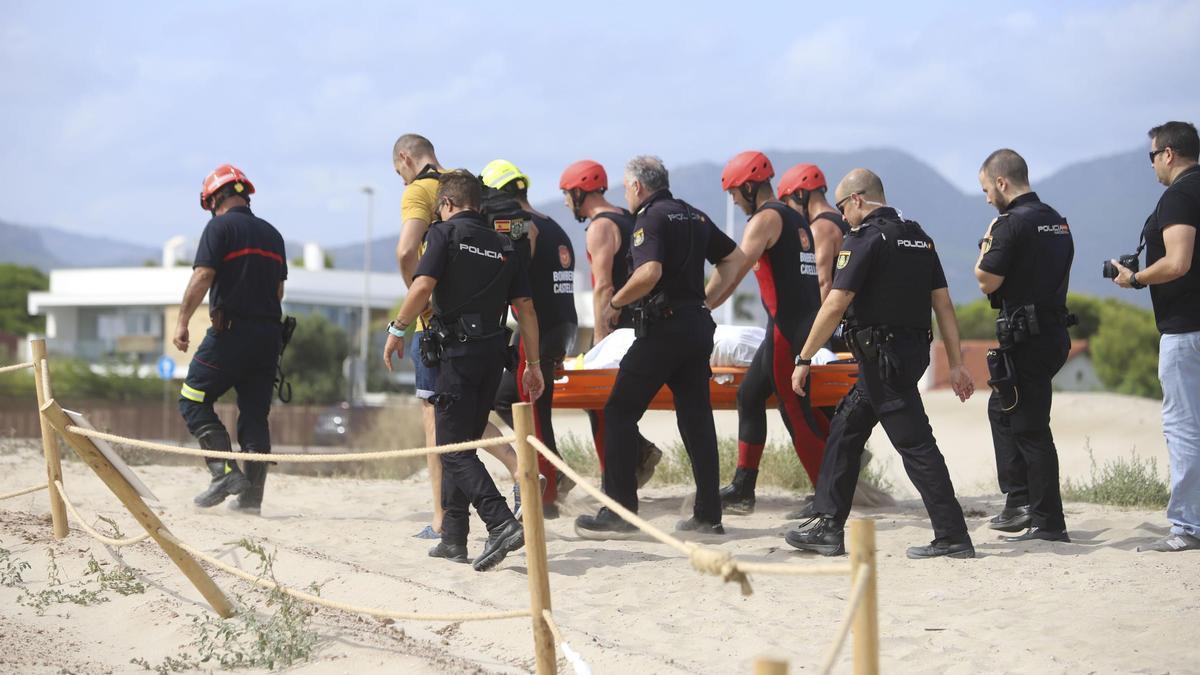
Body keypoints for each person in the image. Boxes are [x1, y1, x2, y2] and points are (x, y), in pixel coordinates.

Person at [785, 168, 976, 559]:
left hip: (882, 360)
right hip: (904, 356)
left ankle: (953, 535)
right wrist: (955, 363)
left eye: (843, 208)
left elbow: (836, 303)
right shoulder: (920, 238)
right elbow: (943, 305)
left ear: (857, 199)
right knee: (845, 428)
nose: (842, 218)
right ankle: (827, 523)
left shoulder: (866, 239)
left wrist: (804, 356)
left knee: (916, 445)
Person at [574, 156, 745, 539]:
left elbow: (648, 273)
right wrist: (706, 301)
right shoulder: (694, 215)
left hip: (664, 327)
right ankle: (708, 514)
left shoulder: (650, 218)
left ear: (637, 187)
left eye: (625, 186)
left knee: (618, 411)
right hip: (697, 327)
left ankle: (619, 510)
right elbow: (734, 259)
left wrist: (616, 303)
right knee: (696, 418)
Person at [383, 170, 545, 571]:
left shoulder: (443, 235)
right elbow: (525, 308)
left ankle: (501, 522)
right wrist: (534, 364)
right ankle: (454, 537)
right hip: (493, 356)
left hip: (455, 354)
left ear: (448, 204)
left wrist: (397, 329)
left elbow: (421, 287)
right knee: (464, 442)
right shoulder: (505, 243)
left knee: (451, 447)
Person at [707, 151, 827, 516]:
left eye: (733, 193)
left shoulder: (764, 219)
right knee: (750, 395)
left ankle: (826, 496)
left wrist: (700, 305)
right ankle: (744, 488)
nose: (733, 200)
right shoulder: (795, 218)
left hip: (786, 329)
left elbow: (734, 270)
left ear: (748, 186)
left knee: (794, 409)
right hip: (797, 323)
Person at [974, 149, 1075, 543]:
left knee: (1031, 428)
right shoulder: (1056, 221)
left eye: (986, 189)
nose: (986, 198)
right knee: (1003, 410)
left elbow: (986, 280)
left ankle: (1048, 521)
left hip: (1026, 339)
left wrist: (987, 238)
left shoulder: (1009, 224)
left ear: (1002, 183)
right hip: (1052, 334)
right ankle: (1019, 501)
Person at [174, 164, 286, 514]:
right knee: (254, 416)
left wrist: (182, 320)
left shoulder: (219, 228)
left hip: (231, 333)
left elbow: (203, 275)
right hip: (269, 338)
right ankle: (251, 499)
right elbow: (279, 291)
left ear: (213, 201)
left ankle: (223, 474)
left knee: (192, 398)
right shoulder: (273, 234)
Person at [1110, 120, 1200, 553]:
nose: (1151, 166)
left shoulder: (1181, 195)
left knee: (1184, 428)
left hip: (1187, 331)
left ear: (1168, 154)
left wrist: (1136, 278)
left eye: (1152, 156)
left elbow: (1178, 261)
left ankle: (1187, 526)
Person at [479, 159, 577, 516]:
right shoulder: (555, 226)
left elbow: (518, 282)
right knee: (514, 401)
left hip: (535, 330)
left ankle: (546, 498)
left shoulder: (526, 228)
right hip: (562, 327)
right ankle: (555, 475)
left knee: (531, 413)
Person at [559, 159, 662, 490]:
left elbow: (603, 285)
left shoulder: (600, 226)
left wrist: (601, 338)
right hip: (639, 322)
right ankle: (636, 456)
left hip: (617, 326)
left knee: (599, 400)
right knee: (608, 404)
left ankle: (618, 479)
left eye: (566, 194)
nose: (564, 201)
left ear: (579, 192)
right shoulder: (626, 216)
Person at [392, 133, 449, 540]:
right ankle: (520, 471)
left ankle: (441, 517)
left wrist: (416, 295)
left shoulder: (419, 191)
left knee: (434, 420)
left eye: (399, 172)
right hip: (477, 320)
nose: (401, 179)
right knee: (465, 410)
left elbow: (404, 251)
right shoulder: (462, 185)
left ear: (405, 158)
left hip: (435, 323)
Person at [777, 163, 850, 301]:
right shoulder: (844, 220)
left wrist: (817, 323)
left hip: (837, 318)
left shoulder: (819, 229)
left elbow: (823, 284)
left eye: (788, 203)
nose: (789, 211)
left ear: (799, 194)